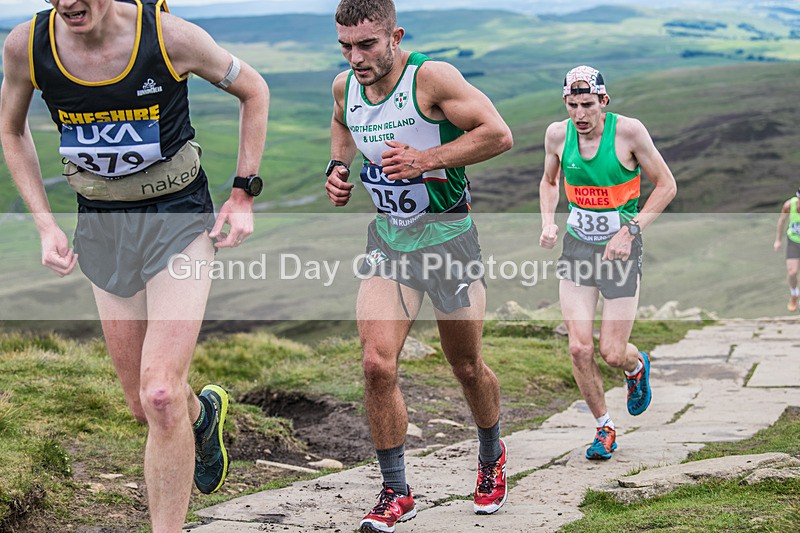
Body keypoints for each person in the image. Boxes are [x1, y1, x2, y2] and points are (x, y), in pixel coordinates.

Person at [0, 0, 268, 531]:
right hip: (100, 225)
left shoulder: (170, 36)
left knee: (161, 392)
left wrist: (243, 193)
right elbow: (11, 130)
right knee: (144, 405)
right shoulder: (26, 46)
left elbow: (253, 89)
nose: (70, 2)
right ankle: (203, 415)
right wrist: (45, 224)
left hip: (179, 219)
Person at [325, 0, 513, 530]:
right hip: (389, 241)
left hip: (449, 238)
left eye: (366, 45)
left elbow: (498, 134)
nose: (355, 58)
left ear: (395, 35)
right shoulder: (345, 86)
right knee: (376, 364)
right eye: (345, 46)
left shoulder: (431, 79)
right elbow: (342, 122)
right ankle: (395, 490)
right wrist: (339, 167)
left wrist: (427, 160)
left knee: (467, 366)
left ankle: (491, 455)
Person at [538, 66, 676, 461]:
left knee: (612, 353)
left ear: (603, 102)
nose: (580, 114)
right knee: (579, 349)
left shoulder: (630, 132)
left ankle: (635, 366)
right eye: (572, 105)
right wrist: (548, 222)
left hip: (620, 251)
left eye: (587, 105)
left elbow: (666, 185)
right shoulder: (557, 135)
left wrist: (630, 230)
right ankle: (604, 427)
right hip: (578, 248)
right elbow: (549, 182)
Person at [773, 189, 800, 312]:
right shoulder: (789, 205)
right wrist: (778, 240)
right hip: (794, 241)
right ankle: (794, 294)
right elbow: (781, 221)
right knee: (792, 272)